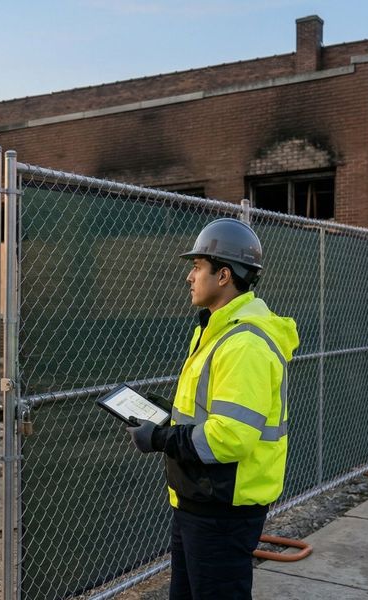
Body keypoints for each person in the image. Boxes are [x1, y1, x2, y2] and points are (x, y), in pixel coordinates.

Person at [125, 218, 299, 600]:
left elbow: (231, 438)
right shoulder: (216, 329)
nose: (189, 276)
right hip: (200, 498)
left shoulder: (244, 344)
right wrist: (168, 416)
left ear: (223, 276)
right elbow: (208, 415)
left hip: (222, 507)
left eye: (197, 267)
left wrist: (158, 437)